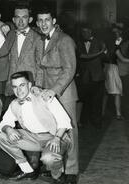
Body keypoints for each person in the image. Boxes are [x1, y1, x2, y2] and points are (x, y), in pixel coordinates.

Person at [0, 71, 72, 183]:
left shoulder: (44, 96)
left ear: (30, 85)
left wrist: (57, 138)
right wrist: (8, 129)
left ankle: (58, 177)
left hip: (55, 136)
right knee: (2, 137)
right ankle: (27, 170)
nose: (19, 90)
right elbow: (4, 123)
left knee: (48, 158)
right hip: (33, 138)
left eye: (22, 85)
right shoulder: (15, 104)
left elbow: (64, 120)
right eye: (15, 87)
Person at [35, 7, 78, 184]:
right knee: (51, 129)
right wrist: (37, 88)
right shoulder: (39, 40)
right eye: (40, 20)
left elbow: (70, 69)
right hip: (45, 91)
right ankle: (55, 169)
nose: (44, 23)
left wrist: (54, 90)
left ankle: (72, 170)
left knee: (69, 130)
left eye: (47, 20)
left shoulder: (65, 39)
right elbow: (39, 68)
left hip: (64, 91)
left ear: (54, 21)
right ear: (37, 23)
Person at [5, 4, 42, 95]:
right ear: (13, 20)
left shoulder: (38, 38)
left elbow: (41, 67)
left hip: (29, 87)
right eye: (17, 17)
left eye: (24, 17)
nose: (20, 21)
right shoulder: (9, 35)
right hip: (12, 86)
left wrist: (37, 87)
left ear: (30, 19)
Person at [77, 24, 106, 128]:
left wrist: (103, 53)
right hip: (84, 76)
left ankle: (97, 123)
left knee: (97, 100)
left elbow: (106, 58)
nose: (84, 33)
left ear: (91, 31)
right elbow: (80, 57)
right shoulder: (79, 43)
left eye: (86, 31)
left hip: (97, 76)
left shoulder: (100, 42)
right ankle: (84, 121)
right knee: (84, 100)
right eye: (82, 32)